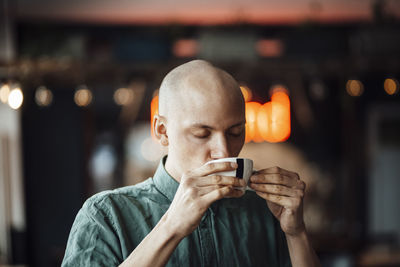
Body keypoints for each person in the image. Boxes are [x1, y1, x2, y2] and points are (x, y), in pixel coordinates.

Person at [62, 60, 321, 267]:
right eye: (202, 133)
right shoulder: (105, 215)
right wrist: (172, 226)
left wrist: (297, 233)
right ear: (162, 131)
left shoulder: (265, 212)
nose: (223, 151)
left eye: (235, 132)